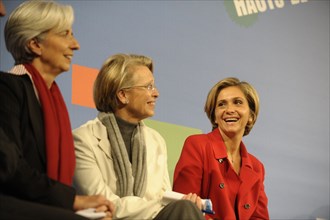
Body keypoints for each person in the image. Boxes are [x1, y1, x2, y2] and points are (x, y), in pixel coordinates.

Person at [0, 1, 114, 219]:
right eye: (65, 34)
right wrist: (72, 201)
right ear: (35, 44)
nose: (76, 45)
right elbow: (10, 167)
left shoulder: (53, 102)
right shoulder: (7, 88)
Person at [73, 53, 205, 220]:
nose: (156, 93)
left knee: (187, 209)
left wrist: (181, 203)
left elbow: (163, 196)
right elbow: (103, 204)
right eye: (148, 87)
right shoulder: (82, 139)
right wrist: (171, 207)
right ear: (123, 95)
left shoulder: (156, 140)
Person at [173, 77, 269, 220]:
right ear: (215, 117)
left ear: (250, 116)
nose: (230, 110)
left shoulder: (257, 167)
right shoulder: (197, 145)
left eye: (237, 102)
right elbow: (185, 208)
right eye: (222, 104)